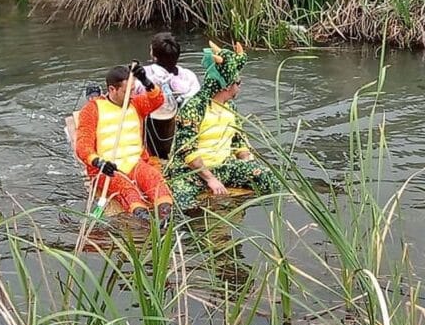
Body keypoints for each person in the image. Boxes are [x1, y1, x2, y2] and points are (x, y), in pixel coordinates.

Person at [166, 43, 281, 212]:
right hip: (192, 172)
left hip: (225, 166)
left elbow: (238, 140)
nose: (240, 86)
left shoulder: (230, 107)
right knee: (183, 201)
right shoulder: (195, 107)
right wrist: (210, 179)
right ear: (227, 85)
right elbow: (186, 151)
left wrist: (247, 161)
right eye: (238, 82)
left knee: (269, 180)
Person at [73, 63, 174, 222]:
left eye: (133, 90)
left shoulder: (136, 104)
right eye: (127, 91)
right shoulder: (92, 109)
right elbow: (82, 144)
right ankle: (144, 221)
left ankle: (167, 217)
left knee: (153, 178)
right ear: (112, 89)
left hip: (135, 161)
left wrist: (145, 81)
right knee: (127, 190)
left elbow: (158, 100)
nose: (131, 94)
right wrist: (98, 162)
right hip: (108, 166)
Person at [140, 32, 202, 160]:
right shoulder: (188, 76)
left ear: (154, 56)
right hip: (183, 132)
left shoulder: (143, 74)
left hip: (151, 134)